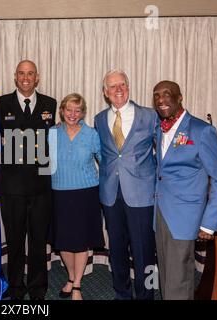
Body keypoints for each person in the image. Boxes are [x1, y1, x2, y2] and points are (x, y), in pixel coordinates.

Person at [152, 80, 217, 299]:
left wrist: (209, 223)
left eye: (167, 94)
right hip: (161, 211)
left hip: (186, 216)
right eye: (157, 95)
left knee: (178, 279)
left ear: (180, 97)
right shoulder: (160, 127)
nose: (161, 100)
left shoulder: (202, 131)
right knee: (166, 275)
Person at [94, 69, 158, 300]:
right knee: (117, 250)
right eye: (112, 86)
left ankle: (146, 294)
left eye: (122, 84)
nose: (118, 89)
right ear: (105, 92)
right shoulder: (99, 119)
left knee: (145, 252)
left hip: (142, 194)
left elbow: (161, 152)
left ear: (128, 87)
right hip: (110, 195)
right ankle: (122, 293)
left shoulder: (150, 115)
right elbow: (104, 153)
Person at [0, 60, 56, 300]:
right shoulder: (0, 104)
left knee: (38, 240)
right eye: (21, 73)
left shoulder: (50, 104)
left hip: (41, 185)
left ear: (37, 77)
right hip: (11, 186)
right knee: (14, 240)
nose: (26, 78)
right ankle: (15, 287)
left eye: (30, 73)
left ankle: (38, 287)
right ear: (15, 76)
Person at [48, 93, 104, 300]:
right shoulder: (51, 133)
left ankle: (77, 285)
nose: (72, 114)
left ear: (83, 113)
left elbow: (104, 162)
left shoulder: (91, 134)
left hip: (86, 193)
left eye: (77, 110)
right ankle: (71, 277)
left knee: (81, 241)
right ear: (62, 111)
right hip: (59, 193)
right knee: (63, 241)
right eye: (68, 110)